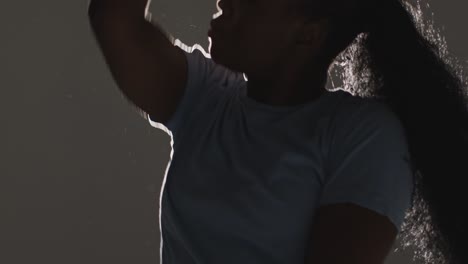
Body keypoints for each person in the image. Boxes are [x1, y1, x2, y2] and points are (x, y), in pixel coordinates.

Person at [88, 0, 468, 263]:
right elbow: (114, 17)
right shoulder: (206, 98)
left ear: (307, 36)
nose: (226, 2)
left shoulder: (362, 135)